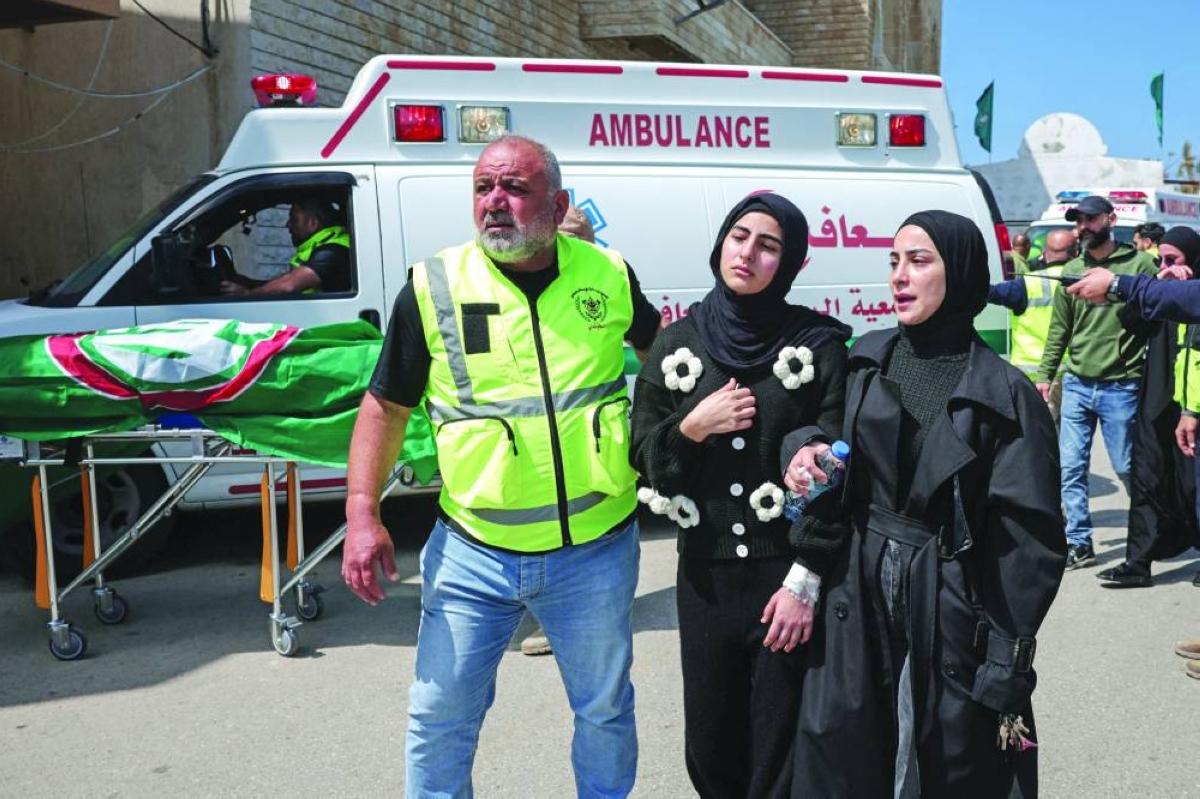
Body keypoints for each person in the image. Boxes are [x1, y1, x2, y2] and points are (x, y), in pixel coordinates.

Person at [340, 135, 660, 797]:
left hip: (594, 551)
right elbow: (385, 408)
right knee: (440, 715)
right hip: (473, 551)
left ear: (559, 203)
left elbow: (669, 360)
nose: (495, 202)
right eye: (484, 187)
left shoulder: (607, 274)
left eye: (514, 188)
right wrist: (361, 512)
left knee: (603, 709)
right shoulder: (433, 287)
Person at [787, 210, 1065, 796]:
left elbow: (1029, 547)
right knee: (843, 748)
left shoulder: (1006, 395)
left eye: (919, 261)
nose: (899, 277)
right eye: (893, 261)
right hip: (855, 594)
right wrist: (805, 448)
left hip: (949, 603)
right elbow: (821, 431)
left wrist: (1006, 656)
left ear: (959, 273)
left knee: (943, 760)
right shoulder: (869, 357)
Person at [630, 193, 850, 797]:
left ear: (792, 262)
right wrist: (692, 428)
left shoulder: (818, 345)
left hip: (786, 579)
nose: (747, 253)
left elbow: (839, 469)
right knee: (710, 745)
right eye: (738, 235)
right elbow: (646, 466)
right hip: (704, 580)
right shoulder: (678, 343)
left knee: (779, 747)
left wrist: (805, 578)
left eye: (768, 245)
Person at [1034, 195, 1159, 570]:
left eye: (1090, 219)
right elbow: (1060, 328)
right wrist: (1045, 375)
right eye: (1078, 221)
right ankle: (1079, 542)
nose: (1083, 226)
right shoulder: (1072, 269)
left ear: (1110, 218)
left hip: (1122, 386)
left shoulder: (1139, 265)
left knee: (1125, 466)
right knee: (1070, 466)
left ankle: (1151, 532)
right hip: (1077, 384)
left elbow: (1159, 319)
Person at [520, 203, 598, 658]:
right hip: (530, 427)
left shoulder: (593, 279)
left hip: (577, 428)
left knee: (572, 532)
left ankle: (556, 618)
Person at [986, 228, 1079, 423]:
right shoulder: (1087, 282)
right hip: (1075, 373)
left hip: (1034, 376)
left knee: (1042, 434)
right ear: (1075, 253)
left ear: (1044, 253)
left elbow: (990, 292)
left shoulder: (1027, 284)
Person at [220, 198, 351, 296]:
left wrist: (248, 294)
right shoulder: (321, 244)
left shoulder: (332, 250)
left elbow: (289, 284)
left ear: (313, 223)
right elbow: (283, 281)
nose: (288, 225)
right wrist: (249, 283)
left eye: (294, 219)